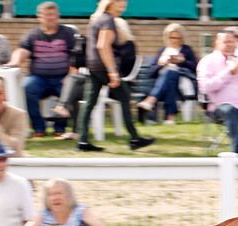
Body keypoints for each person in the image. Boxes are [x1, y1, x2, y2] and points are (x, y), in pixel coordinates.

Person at [76, 0, 154, 153]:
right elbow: (103, 46)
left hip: (93, 66)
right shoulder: (107, 20)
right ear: (110, 3)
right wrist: (113, 72)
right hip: (103, 66)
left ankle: (82, 141)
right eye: (119, 0)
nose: (123, 3)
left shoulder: (97, 19)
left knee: (89, 102)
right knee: (124, 95)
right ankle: (134, 139)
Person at [8, 1, 74, 138]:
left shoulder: (68, 33)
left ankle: (60, 127)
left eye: (53, 14)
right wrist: (16, 60)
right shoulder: (32, 34)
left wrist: (71, 75)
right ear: (39, 17)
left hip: (63, 77)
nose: (50, 17)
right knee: (26, 86)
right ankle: (39, 127)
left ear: (58, 16)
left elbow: (76, 56)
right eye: (47, 15)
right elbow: (22, 50)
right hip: (38, 78)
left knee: (70, 87)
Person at [135, 23, 198, 125]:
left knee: (170, 74)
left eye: (177, 38)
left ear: (181, 38)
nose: (174, 40)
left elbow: (195, 67)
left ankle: (151, 101)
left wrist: (182, 61)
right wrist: (161, 64)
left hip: (181, 82)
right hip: (162, 82)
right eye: (171, 37)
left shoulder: (186, 49)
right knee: (169, 82)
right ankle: (169, 117)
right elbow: (152, 71)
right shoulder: (163, 50)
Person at [48, 24, 84, 140]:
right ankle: (74, 131)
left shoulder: (81, 47)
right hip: (69, 81)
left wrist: (69, 76)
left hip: (85, 82)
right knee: (70, 89)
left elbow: (76, 67)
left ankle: (63, 122)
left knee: (70, 87)